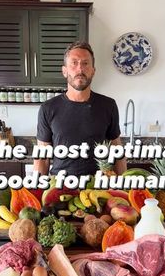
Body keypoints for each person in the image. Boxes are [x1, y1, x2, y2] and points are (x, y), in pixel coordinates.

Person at [34, 41, 126, 176]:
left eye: (85, 63)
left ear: (93, 71)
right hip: (60, 187)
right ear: (64, 71)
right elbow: (42, 158)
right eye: (74, 63)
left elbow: (116, 148)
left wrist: (123, 187)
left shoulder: (108, 105)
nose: (80, 69)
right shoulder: (48, 108)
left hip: (98, 188)